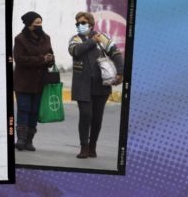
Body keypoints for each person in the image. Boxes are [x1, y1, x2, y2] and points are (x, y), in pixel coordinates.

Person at [68, 12, 124, 158]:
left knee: (97, 118)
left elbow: (116, 54)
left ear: (91, 24)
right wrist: (92, 41)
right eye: (77, 23)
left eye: (82, 23)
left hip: (102, 84)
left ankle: (93, 146)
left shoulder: (103, 37)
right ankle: (84, 147)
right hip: (82, 85)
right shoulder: (75, 39)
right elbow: (75, 51)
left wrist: (120, 72)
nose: (79, 26)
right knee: (86, 115)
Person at [13, 11, 55, 151]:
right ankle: (21, 139)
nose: (39, 25)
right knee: (24, 109)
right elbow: (19, 59)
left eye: (40, 22)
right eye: (36, 23)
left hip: (40, 81)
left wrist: (50, 59)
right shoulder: (20, 39)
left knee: (34, 111)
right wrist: (42, 59)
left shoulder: (46, 38)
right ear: (28, 24)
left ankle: (29, 141)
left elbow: (50, 54)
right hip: (23, 81)